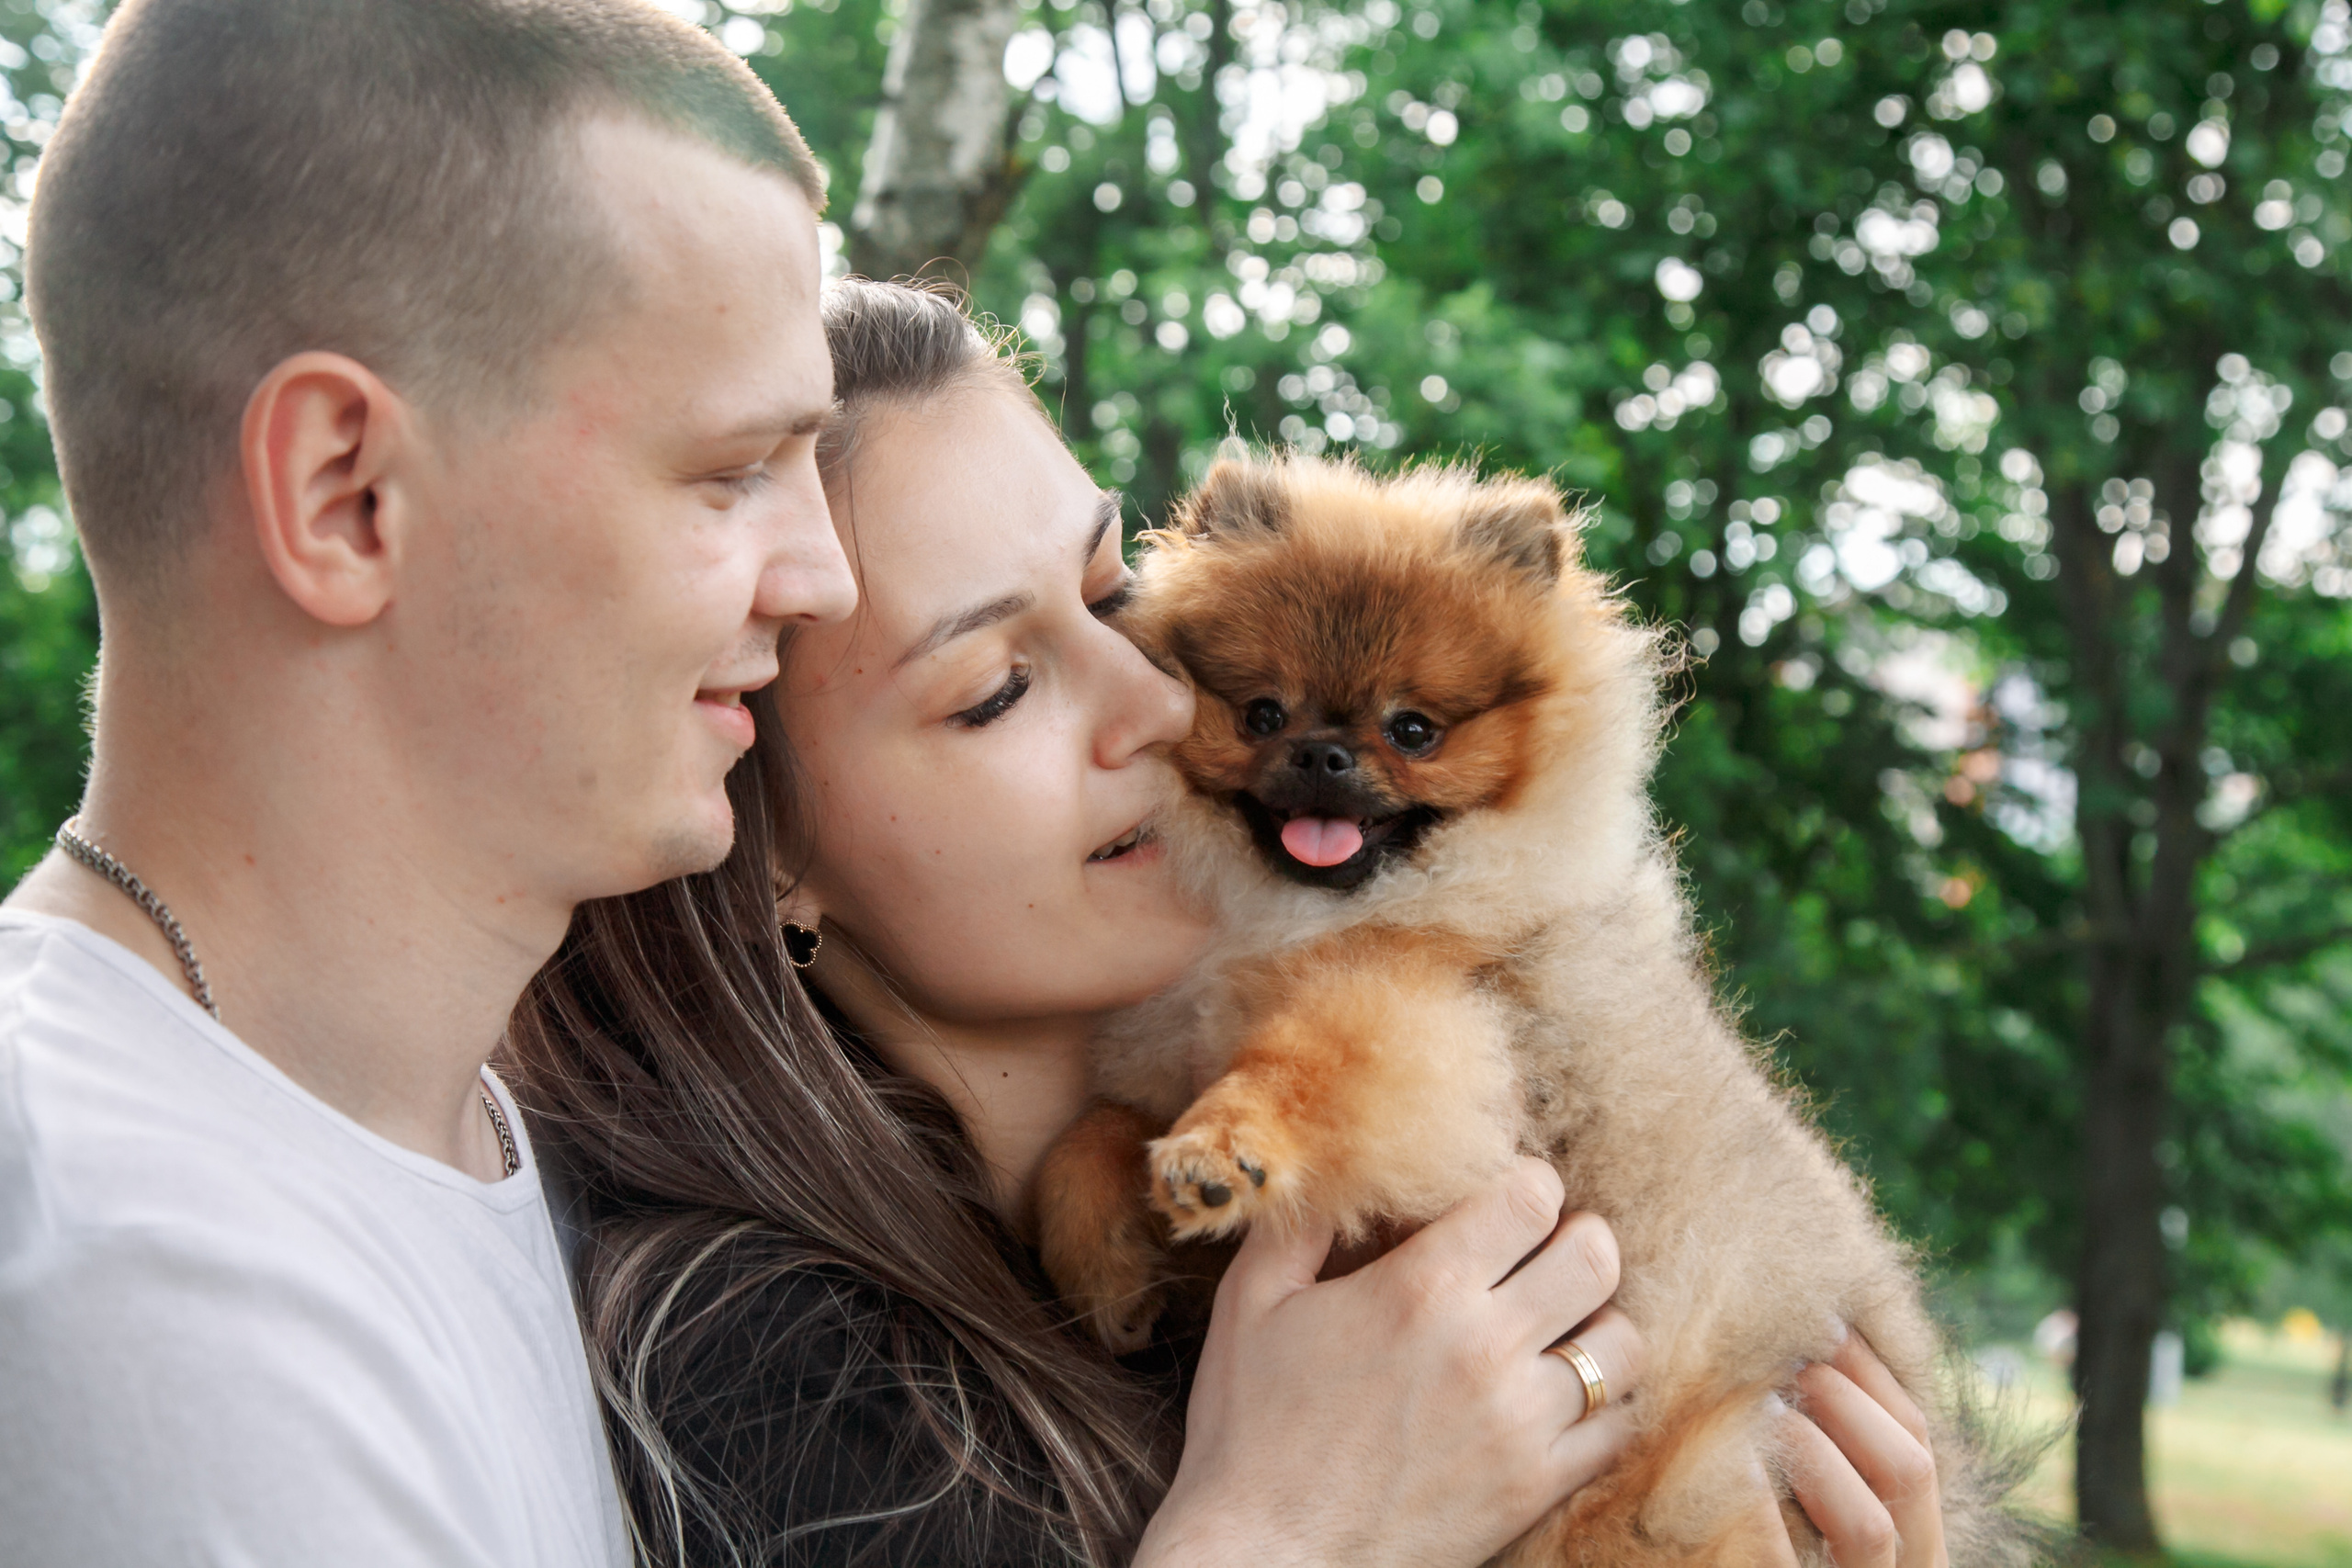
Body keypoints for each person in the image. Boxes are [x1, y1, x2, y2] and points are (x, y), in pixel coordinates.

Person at [507, 281, 1953, 1567]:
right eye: (998, 689)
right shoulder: (762, 1358)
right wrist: (1283, 1537)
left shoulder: (1416, 1043)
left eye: (1113, 596)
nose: (1155, 700)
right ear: (762, 845)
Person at [0, 2, 860, 1562]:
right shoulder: (129, 1266)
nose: (825, 580)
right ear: (345, 497)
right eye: (732, 470)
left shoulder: (475, 1134)